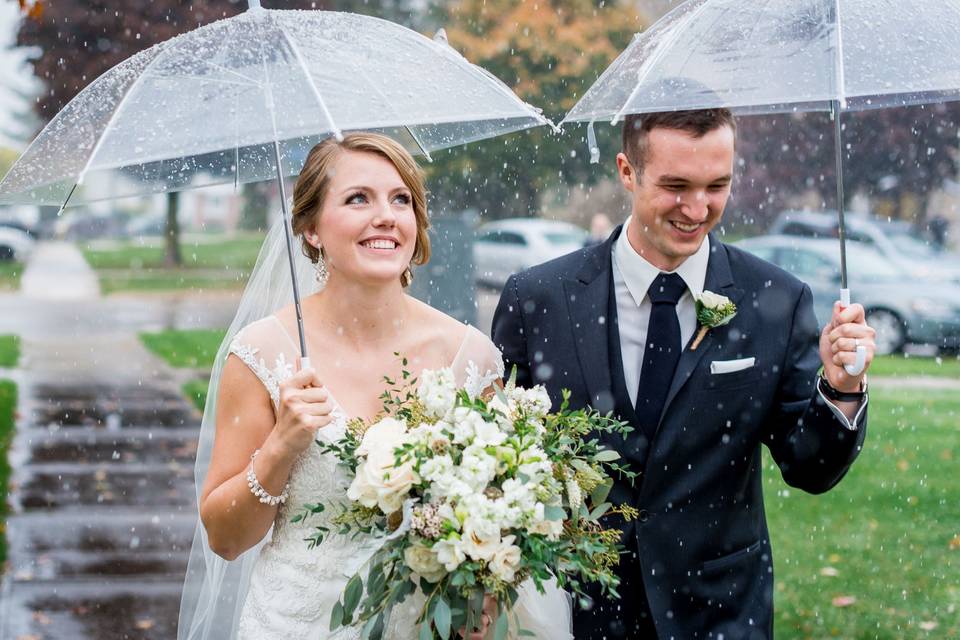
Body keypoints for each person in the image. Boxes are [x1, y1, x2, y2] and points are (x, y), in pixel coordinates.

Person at [492, 108, 876, 639]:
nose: (697, 209)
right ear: (628, 172)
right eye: (676, 186)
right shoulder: (538, 299)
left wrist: (841, 388)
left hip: (718, 613)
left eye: (717, 185)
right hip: (578, 610)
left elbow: (810, 467)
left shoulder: (777, 300)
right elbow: (497, 459)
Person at [178, 133, 572, 639]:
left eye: (400, 199)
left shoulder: (469, 358)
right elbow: (226, 540)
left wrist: (484, 596)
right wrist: (281, 446)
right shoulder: (264, 354)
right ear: (312, 228)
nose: (386, 215)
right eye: (357, 198)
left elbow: (499, 520)